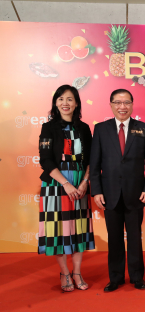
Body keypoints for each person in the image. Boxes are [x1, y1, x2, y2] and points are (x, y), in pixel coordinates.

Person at [90, 89, 145, 292]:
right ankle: (116, 277)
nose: (122, 106)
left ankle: (137, 276)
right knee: (114, 238)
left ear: (132, 105)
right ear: (110, 105)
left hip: (136, 194)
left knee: (135, 237)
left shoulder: (144, 129)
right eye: (118, 102)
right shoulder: (101, 129)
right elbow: (95, 164)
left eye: (126, 102)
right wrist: (97, 191)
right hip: (109, 194)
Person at [38, 84, 94, 292]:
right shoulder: (48, 128)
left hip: (79, 185)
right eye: (61, 99)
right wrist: (66, 184)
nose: (65, 103)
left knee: (78, 230)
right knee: (58, 232)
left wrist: (84, 182)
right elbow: (45, 160)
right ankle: (64, 273)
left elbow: (91, 160)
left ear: (77, 103)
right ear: (55, 103)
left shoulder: (84, 128)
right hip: (56, 185)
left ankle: (77, 272)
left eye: (69, 99)